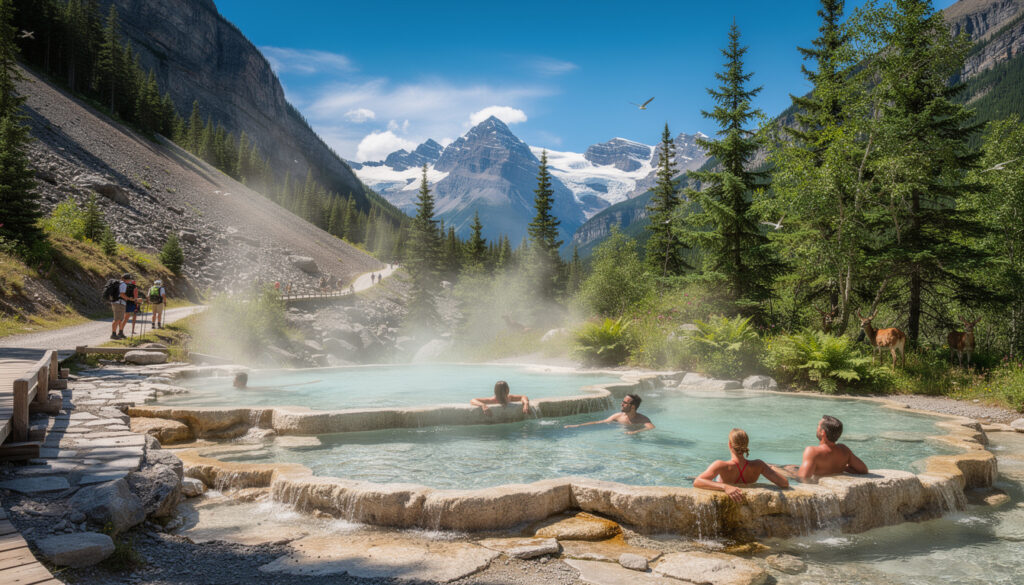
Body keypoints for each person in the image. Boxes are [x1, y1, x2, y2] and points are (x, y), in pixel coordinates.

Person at [694, 429, 790, 502]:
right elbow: (784, 483)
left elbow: (697, 481)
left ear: (729, 444)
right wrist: (770, 469)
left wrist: (725, 487)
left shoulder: (721, 465)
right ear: (746, 445)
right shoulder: (758, 465)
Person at [776, 415, 869, 483]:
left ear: (822, 432)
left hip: (812, 479)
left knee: (772, 467)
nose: (817, 428)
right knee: (790, 466)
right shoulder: (844, 450)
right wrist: (842, 467)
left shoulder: (813, 451)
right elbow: (863, 470)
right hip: (826, 472)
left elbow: (802, 478)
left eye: (818, 426)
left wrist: (789, 474)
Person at [564, 393, 654, 434]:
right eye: (622, 402)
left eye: (625, 403)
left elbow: (651, 427)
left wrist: (636, 432)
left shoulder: (642, 419)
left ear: (633, 406)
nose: (621, 404)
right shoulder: (617, 416)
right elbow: (599, 422)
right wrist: (578, 425)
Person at [110, 273, 132, 339]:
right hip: (119, 303)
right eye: (129, 279)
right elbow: (122, 294)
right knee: (117, 319)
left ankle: (119, 333)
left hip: (116, 302)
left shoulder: (118, 284)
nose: (130, 280)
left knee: (119, 319)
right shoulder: (123, 284)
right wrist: (129, 298)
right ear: (127, 279)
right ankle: (113, 334)